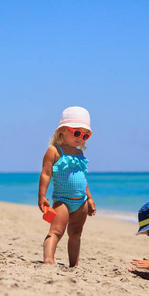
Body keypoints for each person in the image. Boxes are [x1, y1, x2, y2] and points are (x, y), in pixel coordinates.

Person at [38, 106, 97, 267]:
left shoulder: (80, 154)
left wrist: (90, 199)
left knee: (76, 233)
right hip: (62, 200)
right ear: (63, 130)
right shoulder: (54, 151)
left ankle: (74, 264)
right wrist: (42, 196)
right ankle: (48, 259)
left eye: (85, 135)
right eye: (76, 132)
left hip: (81, 201)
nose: (80, 138)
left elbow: (82, 178)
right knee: (56, 231)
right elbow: (46, 173)